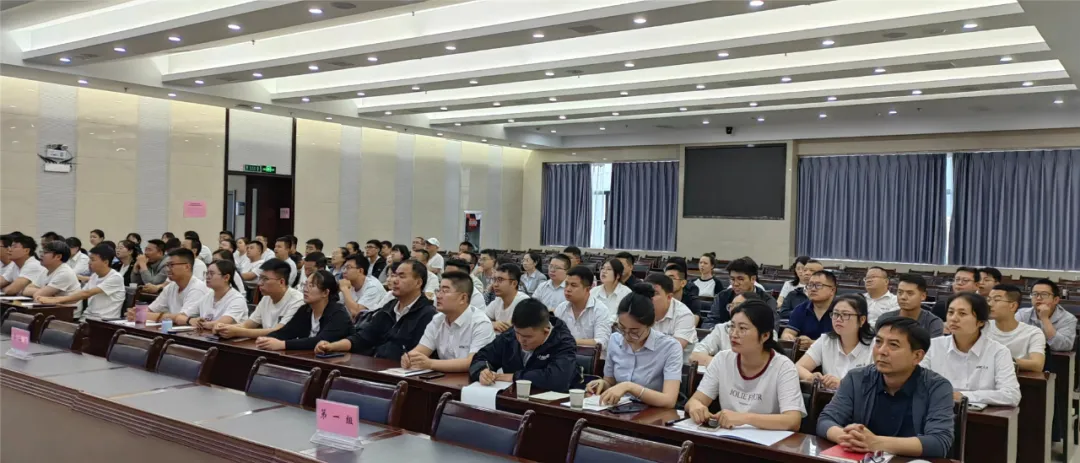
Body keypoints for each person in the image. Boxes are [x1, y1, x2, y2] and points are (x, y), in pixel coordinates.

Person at [817, 317, 955, 458]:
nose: (882, 351)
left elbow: (938, 442)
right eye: (878, 342)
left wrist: (875, 443)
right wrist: (849, 438)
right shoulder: (856, 378)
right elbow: (825, 420)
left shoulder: (937, 387)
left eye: (893, 345)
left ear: (917, 356)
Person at [685, 300, 805, 431]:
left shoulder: (784, 367)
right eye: (732, 327)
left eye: (742, 328)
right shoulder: (722, 359)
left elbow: (793, 421)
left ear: (765, 335)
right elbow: (695, 401)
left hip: (765, 440)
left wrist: (745, 418)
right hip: (727, 436)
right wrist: (695, 406)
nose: (733, 334)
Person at [314, 260, 436, 359]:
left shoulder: (428, 314)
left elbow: (414, 354)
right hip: (377, 366)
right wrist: (332, 346)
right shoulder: (389, 307)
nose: (394, 280)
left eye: (402, 276)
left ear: (418, 283)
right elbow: (363, 337)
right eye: (395, 275)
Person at [587, 283, 682, 408]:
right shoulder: (615, 339)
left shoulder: (670, 347)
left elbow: (669, 400)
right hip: (618, 410)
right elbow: (610, 381)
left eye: (634, 331)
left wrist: (629, 387)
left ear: (650, 324)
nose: (627, 336)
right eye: (622, 328)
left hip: (652, 412)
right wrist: (602, 384)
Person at [921, 292, 1021, 406]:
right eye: (951, 312)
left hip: (980, 414)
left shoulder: (998, 352)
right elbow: (917, 385)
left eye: (962, 313)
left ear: (981, 322)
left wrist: (963, 396)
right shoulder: (932, 346)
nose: (954, 318)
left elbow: (1011, 395)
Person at [469, 298, 580, 392]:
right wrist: (482, 371)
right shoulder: (511, 335)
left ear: (546, 331)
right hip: (513, 399)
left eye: (528, 337)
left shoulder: (563, 341)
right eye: (517, 333)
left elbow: (558, 379)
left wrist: (516, 377)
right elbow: (481, 357)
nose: (521, 340)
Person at [402, 271, 496, 373]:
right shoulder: (437, 320)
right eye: (438, 290)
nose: (438, 296)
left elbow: (473, 362)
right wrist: (409, 358)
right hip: (445, 378)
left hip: (474, 379)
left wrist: (430, 363)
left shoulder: (480, 323)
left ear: (463, 298)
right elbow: (421, 351)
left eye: (445, 291)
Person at [256, 270, 352, 351]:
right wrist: (266, 339)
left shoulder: (338, 313)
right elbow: (286, 331)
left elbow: (320, 340)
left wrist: (282, 344)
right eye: (305, 285)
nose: (305, 289)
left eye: (311, 286)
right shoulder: (305, 310)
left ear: (325, 292)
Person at [796, 295, 875, 389]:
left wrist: (843, 385)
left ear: (862, 320)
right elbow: (798, 367)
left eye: (845, 315)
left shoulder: (875, 345)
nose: (838, 319)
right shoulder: (826, 340)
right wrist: (811, 377)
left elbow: (877, 384)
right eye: (835, 314)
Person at [215, 259, 305, 339]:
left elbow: (279, 331)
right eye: (260, 278)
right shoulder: (266, 298)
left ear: (281, 282)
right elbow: (247, 325)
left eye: (265, 279)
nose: (259, 283)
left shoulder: (298, 301)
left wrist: (237, 332)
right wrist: (224, 327)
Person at [36, 244, 126, 319]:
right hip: (88, 317)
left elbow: (86, 294)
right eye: (89, 259)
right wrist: (51, 300)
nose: (89, 262)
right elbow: (78, 295)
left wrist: (56, 300)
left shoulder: (115, 277)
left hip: (104, 320)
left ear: (106, 262)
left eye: (93, 259)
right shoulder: (94, 276)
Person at [135, 249, 211, 322]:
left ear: (187, 267)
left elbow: (181, 318)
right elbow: (151, 309)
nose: (167, 269)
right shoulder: (171, 286)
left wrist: (143, 315)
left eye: (171, 265)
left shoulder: (197, 289)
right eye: (167, 265)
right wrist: (135, 312)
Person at [703, 257, 777, 329]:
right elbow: (709, 322)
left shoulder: (767, 301)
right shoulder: (722, 297)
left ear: (753, 279)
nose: (735, 284)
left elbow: (771, 329)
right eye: (732, 279)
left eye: (740, 279)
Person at [986, 284, 1046, 372]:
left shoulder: (1033, 333)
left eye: (997, 300)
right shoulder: (981, 327)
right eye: (988, 300)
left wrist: (1004, 360)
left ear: (1013, 306)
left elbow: (1037, 365)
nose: (990, 304)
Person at [691, 292, 759, 366]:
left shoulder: (761, 330)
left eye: (738, 306)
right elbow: (695, 354)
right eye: (731, 306)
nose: (732, 309)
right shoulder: (722, 328)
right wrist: (724, 365)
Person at [174, 260, 248, 328]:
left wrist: (200, 323)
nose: (207, 277)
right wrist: (191, 320)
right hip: (205, 335)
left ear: (226, 277)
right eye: (207, 273)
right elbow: (180, 317)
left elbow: (220, 324)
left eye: (211, 274)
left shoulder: (237, 299)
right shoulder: (208, 296)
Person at [553, 266, 610, 347]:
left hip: (588, 354)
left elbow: (601, 342)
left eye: (573, 285)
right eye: (566, 284)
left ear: (587, 289)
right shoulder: (561, 308)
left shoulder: (600, 310)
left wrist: (569, 341)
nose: (567, 289)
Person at [781, 270, 838, 349]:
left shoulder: (843, 310)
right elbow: (788, 332)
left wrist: (813, 344)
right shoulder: (801, 309)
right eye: (810, 285)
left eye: (818, 285)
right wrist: (789, 337)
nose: (813, 289)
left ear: (832, 290)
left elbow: (846, 342)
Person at [1016, 279, 1076, 352]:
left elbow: (1065, 346)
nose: (1038, 298)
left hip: (1053, 357)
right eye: (1035, 294)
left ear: (1055, 300)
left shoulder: (1068, 318)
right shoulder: (1022, 314)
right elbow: (1011, 337)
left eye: (1044, 294)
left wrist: (1044, 319)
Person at [879, 274, 944, 338]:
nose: (903, 297)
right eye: (900, 292)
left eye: (910, 293)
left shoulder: (933, 323)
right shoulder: (885, 319)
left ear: (923, 296)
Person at [646, 274, 698, 349]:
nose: (649, 297)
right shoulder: (639, 308)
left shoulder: (684, 314)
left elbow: (675, 348)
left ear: (669, 297)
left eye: (654, 293)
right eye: (646, 293)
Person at [338, 253, 387, 319]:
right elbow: (338, 306)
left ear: (360, 271)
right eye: (344, 268)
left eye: (348, 268)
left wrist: (345, 289)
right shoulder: (349, 283)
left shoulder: (373, 287)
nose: (344, 271)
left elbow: (357, 313)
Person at [485, 263, 530, 333]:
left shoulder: (524, 302)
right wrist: (492, 324)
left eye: (500, 280)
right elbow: (481, 319)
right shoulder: (498, 300)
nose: (495, 284)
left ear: (514, 283)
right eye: (494, 279)